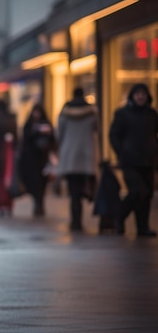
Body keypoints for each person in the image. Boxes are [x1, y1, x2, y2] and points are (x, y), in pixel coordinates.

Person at [109, 83, 158, 237]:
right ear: (132, 96)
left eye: (143, 94)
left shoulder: (152, 114)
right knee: (137, 191)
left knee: (147, 194)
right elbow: (114, 134)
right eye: (138, 94)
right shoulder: (123, 114)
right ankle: (119, 216)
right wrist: (121, 151)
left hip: (148, 160)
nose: (140, 97)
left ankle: (142, 226)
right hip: (130, 160)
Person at [56, 88, 99, 232]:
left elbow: (59, 134)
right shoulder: (92, 113)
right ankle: (79, 218)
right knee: (82, 189)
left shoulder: (64, 113)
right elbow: (97, 130)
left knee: (73, 193)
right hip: (86, 156)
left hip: (70, 157)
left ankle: (76, 222)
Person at [18, 103, 56, 217]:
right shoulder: (29, 125)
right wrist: (37, 132)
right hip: (31, 159)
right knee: (34, 183)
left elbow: (53, 140)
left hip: (43, 159)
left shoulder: (47, 124)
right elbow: (25, 139)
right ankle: (37, 203)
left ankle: (40, 204)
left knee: (42, 182)